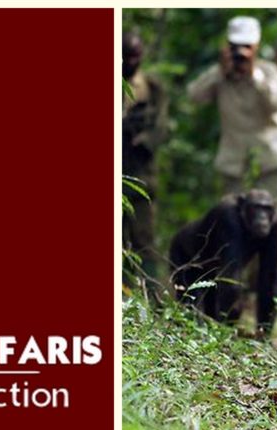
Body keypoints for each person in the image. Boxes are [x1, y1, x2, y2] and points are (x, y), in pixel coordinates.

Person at [187, 16, 277, 215]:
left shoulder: (269, 72)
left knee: (273, 221)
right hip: (235, 164)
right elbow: (194, 96)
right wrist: (221, 72)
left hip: (271, 161)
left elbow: (276, 105)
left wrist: (253, 75)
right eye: (235, 46)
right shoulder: (220, 75)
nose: (241, 52)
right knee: (233, 222)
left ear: (256, 47)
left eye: (246, 46)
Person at [123, 31, 168, 290]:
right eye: (124, 56)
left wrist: (142, 137)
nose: (129, 62)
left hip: (141, 177)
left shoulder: (152, 88)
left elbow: (160, 129)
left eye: (135, 56)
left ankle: (154, 301)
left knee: (144, 243)